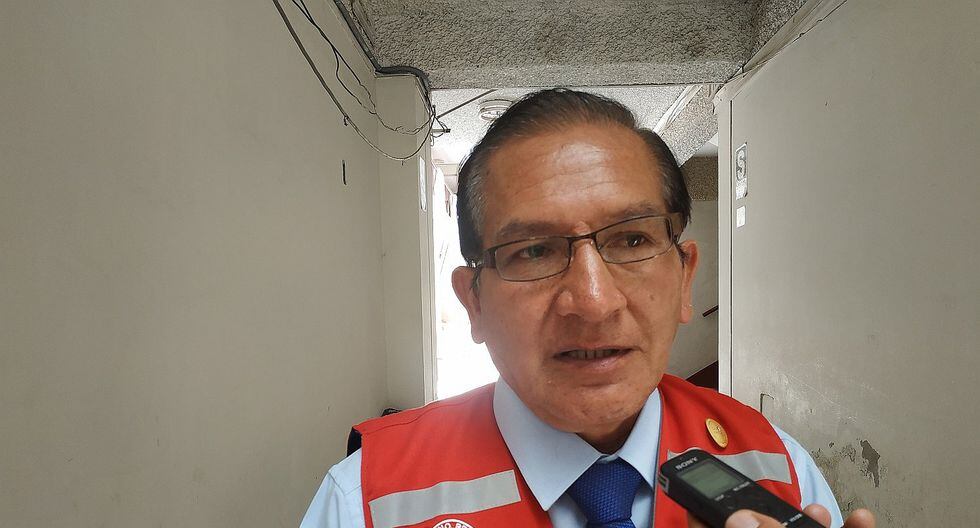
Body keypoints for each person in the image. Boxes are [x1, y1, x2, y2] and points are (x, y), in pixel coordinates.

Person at [301, 89, 875, 528]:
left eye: (632, 240)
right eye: (534, 250)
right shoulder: (365, 501)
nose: (594, 302)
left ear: (685, 278)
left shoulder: (777, 468)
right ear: (473, 301)